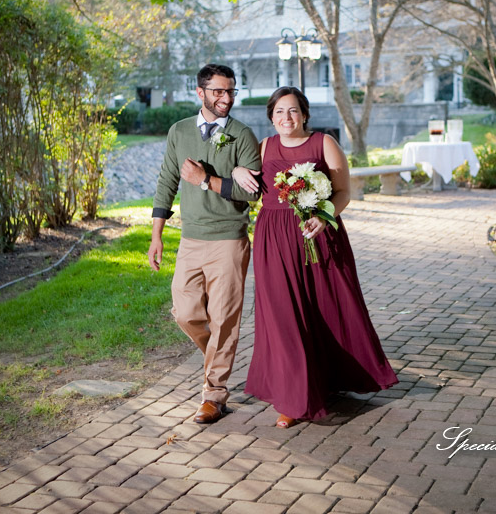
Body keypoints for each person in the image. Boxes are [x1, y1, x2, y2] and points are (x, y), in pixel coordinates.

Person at [238, 87, 398, 428]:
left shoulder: (324, 143)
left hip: (319, 237)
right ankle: (294, 399)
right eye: (279, 112)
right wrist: (237, 171)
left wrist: (323, 218)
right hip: (274, 240)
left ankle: (329, 379)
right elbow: (245, 182)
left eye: (293, 111)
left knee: (326, 309)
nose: (286, 118)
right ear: (271, 116)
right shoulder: (264, 146)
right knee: (283, 316)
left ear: (305, 114)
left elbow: (343, 193)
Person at [148, 63, 261, 424]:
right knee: (185, 312)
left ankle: (214, 395)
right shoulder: (179, 131)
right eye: (218, 91)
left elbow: (249, 194)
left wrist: (204, 179)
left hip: (229, 239)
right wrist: (156, 235)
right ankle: (217, 355)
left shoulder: (242, 135)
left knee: (224, 320)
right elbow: (167, 180)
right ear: (200, 93)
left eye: (230, 91)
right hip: (190, 239)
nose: (226, 98)